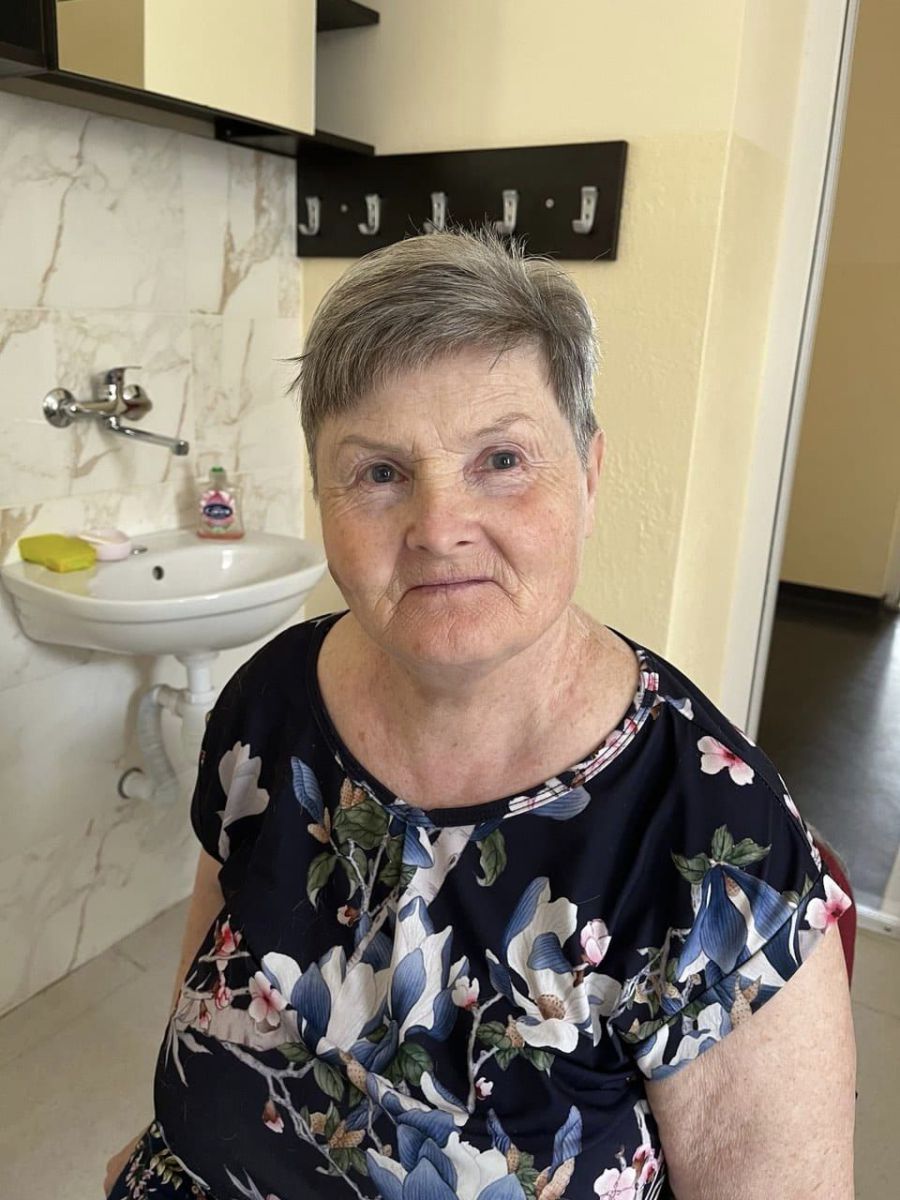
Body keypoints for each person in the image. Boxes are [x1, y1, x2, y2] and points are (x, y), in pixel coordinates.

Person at [104, 229, 856, 1199]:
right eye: (380, 473)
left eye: (501, 458)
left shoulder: (715, 842)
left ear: (589, 476)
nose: (439, 528)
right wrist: (167, 1132)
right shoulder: (272, 699)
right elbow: (213, 957)